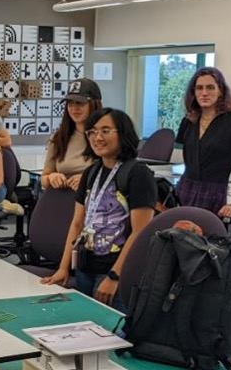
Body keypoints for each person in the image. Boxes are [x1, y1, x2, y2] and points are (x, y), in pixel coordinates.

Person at [40, 109, 156, 308]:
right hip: (86, 267)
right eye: (92, 132)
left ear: (123, 133)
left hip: (115, 270)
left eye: (105, 131)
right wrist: (63, 267)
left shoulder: (137, 174)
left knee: (110, 333)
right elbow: (77, 223)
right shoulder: (91, 172)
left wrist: (114, 276)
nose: (97, 137)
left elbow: (140, 232)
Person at [175, 67, 231, 217]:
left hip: (214, 196)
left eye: (210, 87)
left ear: (221, 91)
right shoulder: (188, 121)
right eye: (199, 88)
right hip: (183, 192)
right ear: (193, 92)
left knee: (204, 239)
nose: (204, 93)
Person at [42, 79, 102, 191]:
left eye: (80, 103)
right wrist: (51, 177)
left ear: (94, 104)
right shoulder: (58, 138)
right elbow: (44, 177)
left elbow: (116, 175)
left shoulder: (104, 137)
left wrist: (87, 180)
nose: (74, 108)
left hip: (96, 202)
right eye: (70, 103)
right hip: (63, 200)